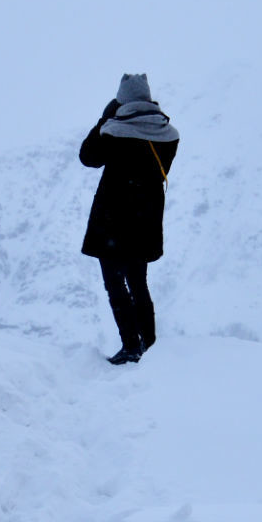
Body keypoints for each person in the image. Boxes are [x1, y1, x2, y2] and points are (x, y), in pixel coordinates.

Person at [80, 73, 180, 364]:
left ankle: (130, 345)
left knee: (115, 284)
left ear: (121, 100)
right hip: (145, 218)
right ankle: (150, 346)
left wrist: (103, 120)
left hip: (113, 219)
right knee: (138, 282)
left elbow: (88, 157)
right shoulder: (168, 135)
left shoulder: (113, 131)